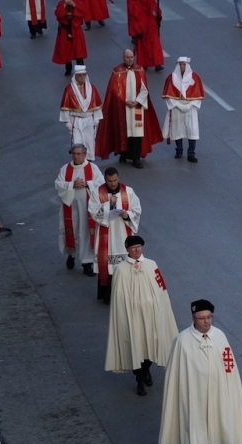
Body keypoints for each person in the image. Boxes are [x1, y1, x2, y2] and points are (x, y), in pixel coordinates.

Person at [158, 299, 242, 444]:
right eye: (201, 318)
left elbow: (228, 364)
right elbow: (175, 371)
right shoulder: (182, 340)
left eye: (209, 317)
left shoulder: (220, 336)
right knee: (196, 422)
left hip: (216, 390)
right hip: (193, 392)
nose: (206, 321)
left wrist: (228, 386)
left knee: (213, 420)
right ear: (194, 318)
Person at [105, 236, 178, 396]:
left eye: (139, 247)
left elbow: (161, 289)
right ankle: (139, 379)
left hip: (151, 315)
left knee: (151, 344)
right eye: (133, 248)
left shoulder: (152, 265)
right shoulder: (121, 269)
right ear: (127, 250)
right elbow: (118, 296)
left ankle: (146, 370)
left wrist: (161, 309)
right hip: (133, 317)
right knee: (136, 345)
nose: (137, 250)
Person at [95, 49, 163, 168]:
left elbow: (144, 89)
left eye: (132, 57)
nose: (130, 59)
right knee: (124, 132)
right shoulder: (117, 71)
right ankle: (123, 154)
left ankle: (136, 158)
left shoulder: (140, 70)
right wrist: (125, 101)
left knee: (136, 134)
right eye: (127, 57)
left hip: (137, 107)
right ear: (123, 58)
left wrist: (137, 101)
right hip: (122, 107)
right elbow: (114, 90)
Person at [87, 167, 141, 304]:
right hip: (107, 233)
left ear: (118, 177)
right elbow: (93, 212)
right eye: (110, 181)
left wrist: (127, 215)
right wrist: (108, 205)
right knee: (108, 264)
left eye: (115, 180)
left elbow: (137, 209)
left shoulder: (128, 192)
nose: (113, 183)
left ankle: (126, 295)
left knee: (124, 264)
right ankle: (108, 296)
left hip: (123, 232)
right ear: (105, 180)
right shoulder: (97, 193)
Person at [55, 144, 104, 276]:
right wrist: (72, 185)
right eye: (74, 154)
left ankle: (87, 264)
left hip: (87, 208)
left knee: (86, 233)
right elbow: (58, 185)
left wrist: (87, 184)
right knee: (73, 231)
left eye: (78, 154)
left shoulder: (93, 168)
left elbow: (101, 183)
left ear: (84, 154)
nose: (76, 156)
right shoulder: (65, 169)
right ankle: (71, 255)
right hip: (71, 207)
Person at [161, 56, 205, 163]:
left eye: (184, 64)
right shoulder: (171, 78)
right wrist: (178, 105)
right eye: (180, 64)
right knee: (177, 130)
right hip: (176, 107)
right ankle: (179, 150)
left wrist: (189, 106)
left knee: (192, 130)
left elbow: (199, 97)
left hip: (191, 107)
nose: (182, 66)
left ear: (187, 65)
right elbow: (168, 97)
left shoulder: (195, 77)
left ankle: (191, 153)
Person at [59, 65, 103, 160]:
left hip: (89, 120)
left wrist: (96, 119)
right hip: (76, 120)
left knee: (89, 141)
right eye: (80, 75)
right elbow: (65, 107)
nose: (82, 77)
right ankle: (78, 161)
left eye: (84, 75)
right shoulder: (69, 90)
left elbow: (97, 106)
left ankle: (89, 162)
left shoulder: (91, 88)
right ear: (75, 76)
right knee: (77, 142)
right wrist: (67, 122)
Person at [52, 0, 86, 77]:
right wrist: (64, 5)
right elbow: (58, 14)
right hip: (65, 31)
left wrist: (74, 5)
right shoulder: (61, 3)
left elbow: (83, 12)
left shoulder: (78, 2)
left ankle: (81, 70)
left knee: (78, 51)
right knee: (66, 50)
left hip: (76, 30)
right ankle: (68, 68)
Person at [127, 0, 163, 71]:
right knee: (143, 47)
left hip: (151, 26)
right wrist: (137, 30)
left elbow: (156, 10)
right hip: (141, 27)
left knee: (154, 45)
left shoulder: (151, 2)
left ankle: (157, 63)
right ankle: (144, 63)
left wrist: (158, 16)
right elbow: (134, 17)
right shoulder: (135, 3)